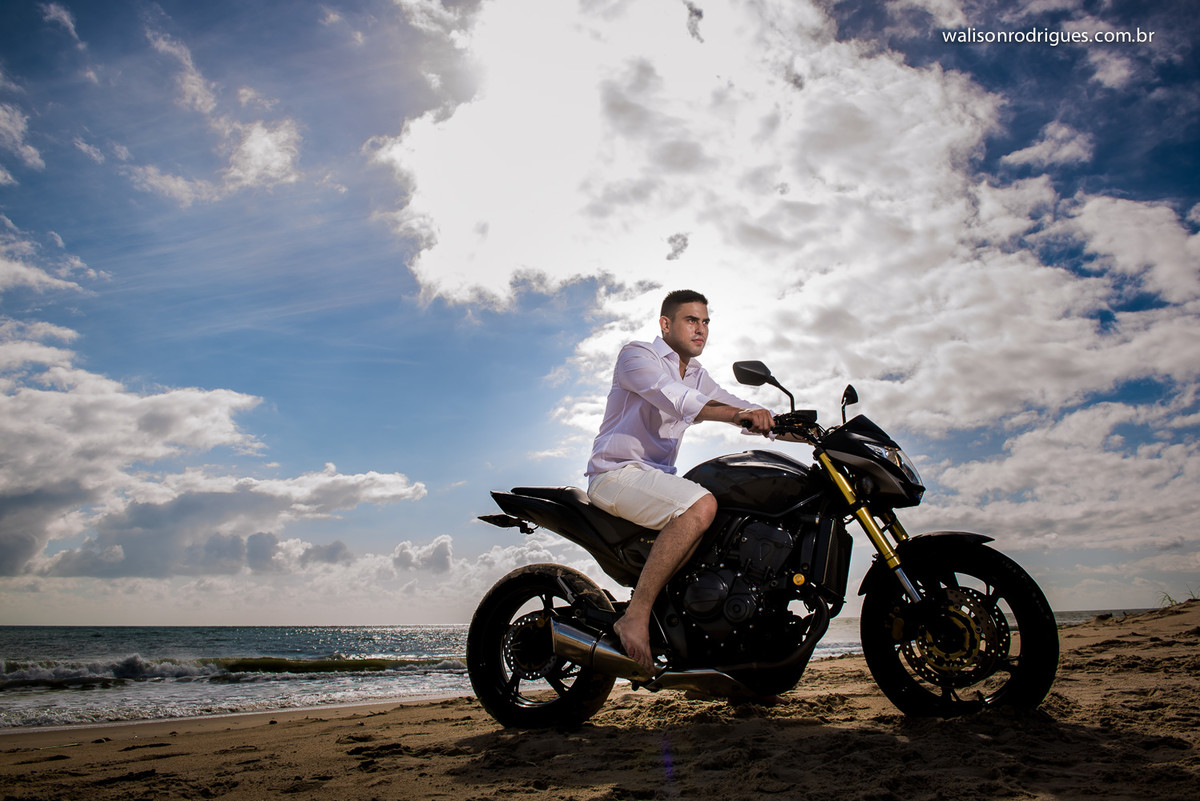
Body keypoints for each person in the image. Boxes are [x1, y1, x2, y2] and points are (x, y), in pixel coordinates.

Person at [585, 289, 773, 672]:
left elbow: (736, 404)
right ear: (666, 324)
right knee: (701, 505)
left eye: (705, 322)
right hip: (616, 474)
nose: (701, 329)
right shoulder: (637, 356)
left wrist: (796, 427)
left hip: (654, 480)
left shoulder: (697, 375)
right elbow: (673, 396)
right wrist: (735, 416)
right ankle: (636, 615)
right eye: (691, 320)